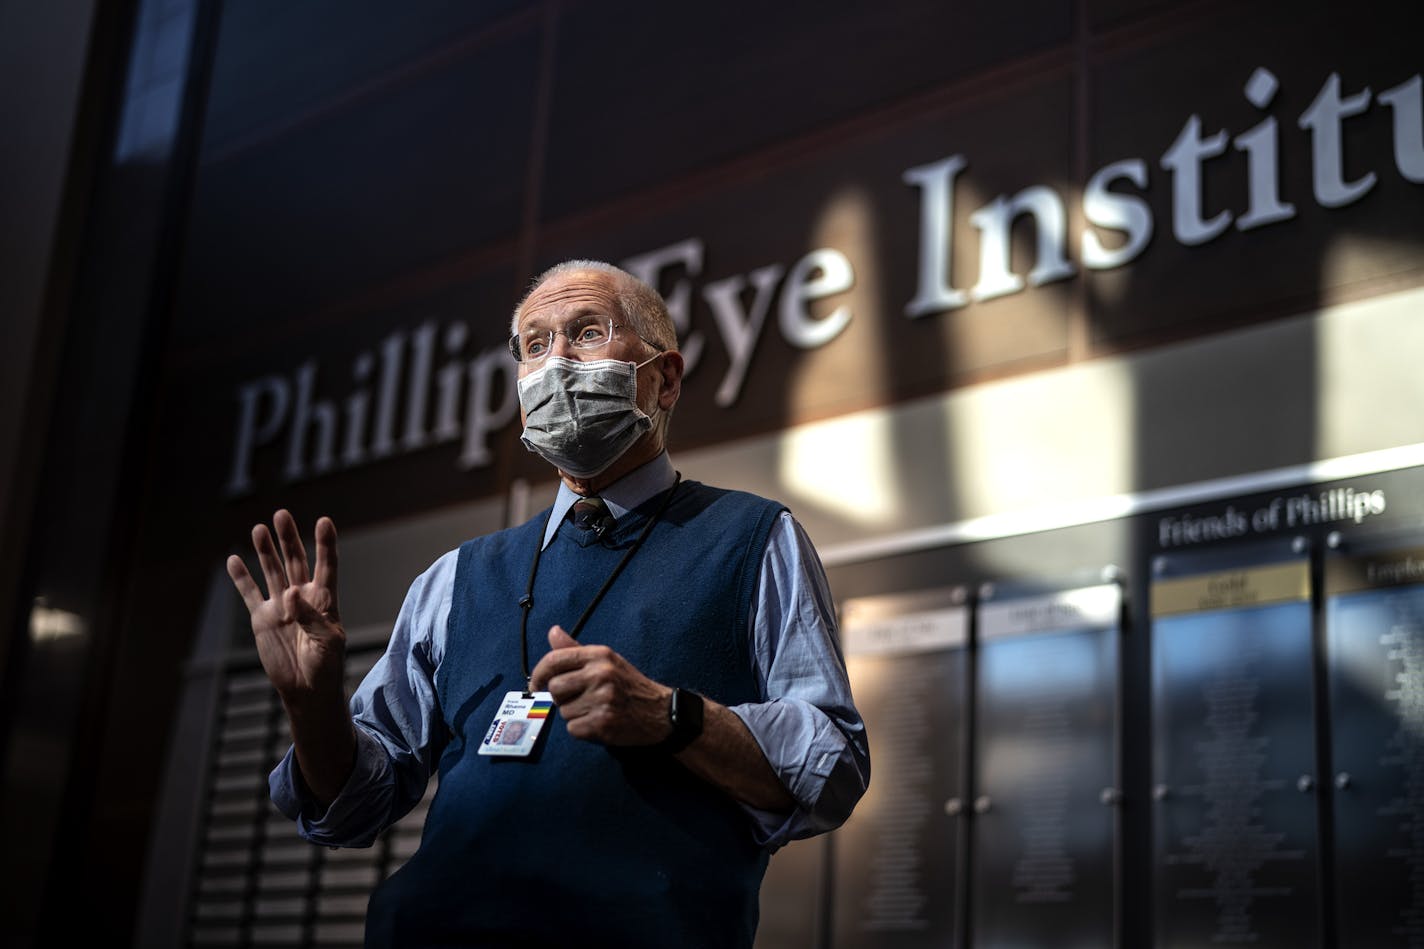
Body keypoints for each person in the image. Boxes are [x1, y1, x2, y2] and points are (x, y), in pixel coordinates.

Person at [227, 260, 869, 948]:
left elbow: (832, 764)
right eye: (534, 345)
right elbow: (355, 808)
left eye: (587, 332)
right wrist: (312, 704)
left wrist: (673, 717)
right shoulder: (455, 577)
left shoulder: (754, 539)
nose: (555, 361)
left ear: (666, 378)